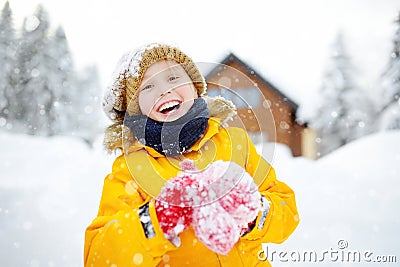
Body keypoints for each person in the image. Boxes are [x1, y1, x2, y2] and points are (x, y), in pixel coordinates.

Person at [84, 43, 299, 267]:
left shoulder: (235, 142)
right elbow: (99, 257)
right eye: (147, 86)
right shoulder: (130, 170)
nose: (164, 90)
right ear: (135, 108)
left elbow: (288, 213)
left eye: (174, 77)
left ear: (195, 87)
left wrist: (253, 212)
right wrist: (156, 219)